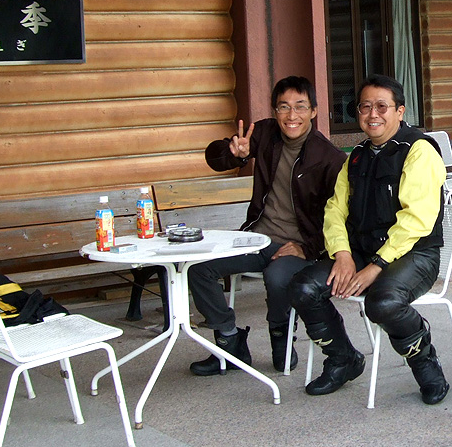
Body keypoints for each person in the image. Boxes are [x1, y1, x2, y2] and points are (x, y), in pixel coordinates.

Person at [288, 74, 450, 405]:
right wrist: (342, 254)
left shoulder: (419, 151)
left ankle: (425, 363)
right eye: (365, 106)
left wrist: (376, 266)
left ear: (400, 111)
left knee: (383, 302)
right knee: (303, 287)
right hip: (362, 251)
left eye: (381, 106)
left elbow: (416, 221)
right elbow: (335, 210)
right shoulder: (357, 155)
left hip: (415, 255)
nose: (372, 114)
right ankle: (343, 359)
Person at [187, 75, 347, 376]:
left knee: (276, 277)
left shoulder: (329, 159)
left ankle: (281, 334)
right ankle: (229, 341)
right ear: (275, 111)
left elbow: (339, 217)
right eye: (284, 107)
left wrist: (307, 248)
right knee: (198, 267)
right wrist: (233, 154)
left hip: (298, 247)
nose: (291, 115)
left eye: (300, 106)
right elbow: (214, 158)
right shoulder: (263, 134)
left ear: (313, 111)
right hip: (256, 238)